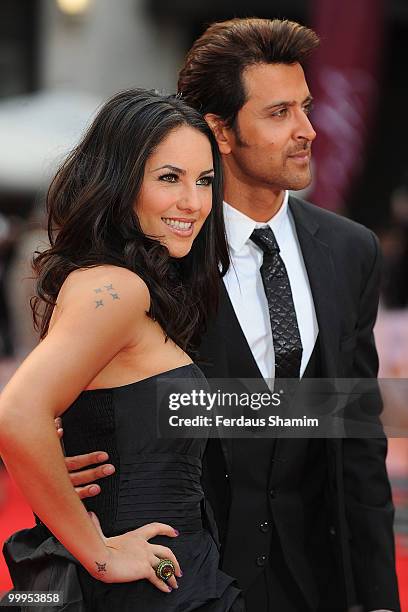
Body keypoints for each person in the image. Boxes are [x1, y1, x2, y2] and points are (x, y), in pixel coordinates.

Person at [60, 18, 401, 612]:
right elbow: (52, 407)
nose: (309, 131)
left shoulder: (350, 250)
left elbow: (356, 436)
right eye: (278, 114)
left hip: (316, 580)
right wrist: (80, 431)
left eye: (306, 107)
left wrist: (376, 598)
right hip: (189, 575)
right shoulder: (157, 256)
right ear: (220, 131)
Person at [0, 89, 244, 612]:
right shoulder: (116, 287)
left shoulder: (138, 289)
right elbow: (18, 413)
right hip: (144, 584)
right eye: (169, 178)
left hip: (174, 572)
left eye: (204, 181)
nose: (193, 202)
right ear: (120, 182)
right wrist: (100, 556)